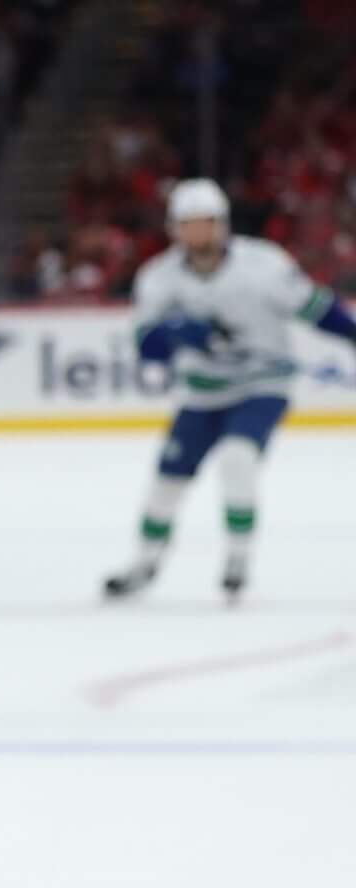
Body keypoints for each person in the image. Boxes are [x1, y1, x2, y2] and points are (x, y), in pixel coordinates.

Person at [104, 179, 356, 603]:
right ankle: (144, 562)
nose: (199, 233)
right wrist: (177, 332)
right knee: (167, 482)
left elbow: (315, 308)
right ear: (174, 229)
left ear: (222, 224)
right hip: (200, 393)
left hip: (261, 386)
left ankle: (237, 560)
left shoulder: (263, 265)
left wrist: (352, 334)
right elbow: (147, 347)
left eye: (206, 223)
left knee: (238, 460)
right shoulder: (159, 277)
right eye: (189, 224)